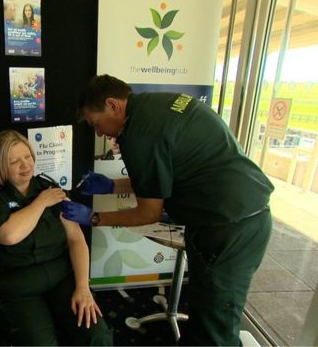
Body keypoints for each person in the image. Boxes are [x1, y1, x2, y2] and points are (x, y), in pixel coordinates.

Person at [62, 74, 274, 346]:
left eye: (96, 123)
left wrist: (94, 217)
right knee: (204, 312)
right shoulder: (158, 106)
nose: (100, 132)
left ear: (113, 105)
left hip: (229, 229)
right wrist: (112, 186)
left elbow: (148, 214)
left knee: (217, 328)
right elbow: (162, 176)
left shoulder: (138, 134)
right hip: (242, 215)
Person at [0, 130, 113, 346]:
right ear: (0, 166)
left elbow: (76, 240)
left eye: (28, 157)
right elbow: (10, 235)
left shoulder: (49, 188)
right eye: (14, 161)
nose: (25, 165)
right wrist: (40, 203)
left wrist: (83, 287)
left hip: (61, 277)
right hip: (19, 288)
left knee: (97, 335)